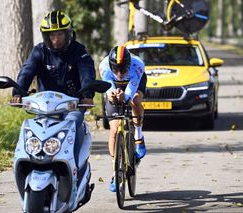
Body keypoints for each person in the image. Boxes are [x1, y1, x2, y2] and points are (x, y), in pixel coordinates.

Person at [11, 10, 96, 164]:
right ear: (46, 36)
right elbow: (27, 71)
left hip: (72, 105)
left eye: (60, 35)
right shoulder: (39, 51)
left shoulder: (79, 51)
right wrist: (18, 91)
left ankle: (74, 165)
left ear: (68, 34)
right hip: (45, 106)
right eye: (52, 35)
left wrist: (87, 95)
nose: (56, 39)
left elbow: (87, 73)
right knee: (36, 129)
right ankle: (34, 161)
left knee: (74, 123)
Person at [99, 45, 147, 192]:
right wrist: (113, 96)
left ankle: (138, 135)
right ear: (111, 66)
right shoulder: (104, 67)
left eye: (123, 69)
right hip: (114, 86)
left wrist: (125, 97)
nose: (119, 74)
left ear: (128, 64)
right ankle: (115, 171)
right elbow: (108, 90)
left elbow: (131, 91)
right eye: (116, 70)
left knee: (135, 100)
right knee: (114, 130)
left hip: (133, 83)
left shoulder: (137, 65)